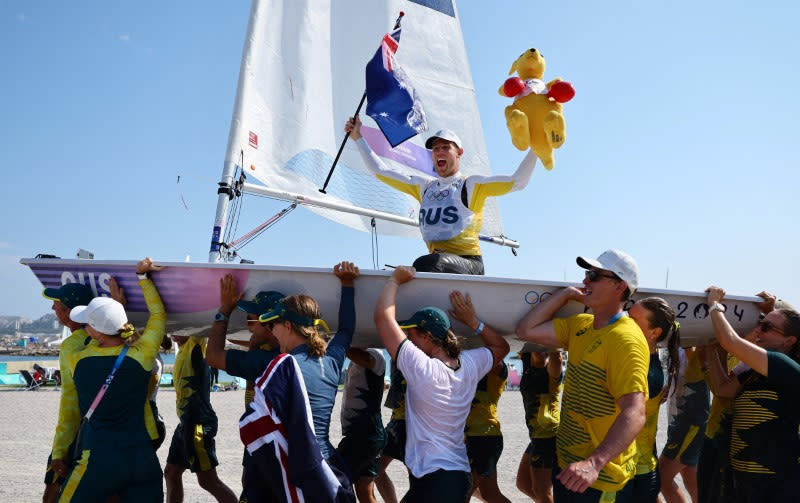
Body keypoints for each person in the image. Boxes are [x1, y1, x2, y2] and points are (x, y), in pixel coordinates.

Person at [516, 249, 649, 501]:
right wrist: (565, 294)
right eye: (586, 274)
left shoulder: (626, 339)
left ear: (619, 286)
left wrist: (594, 463)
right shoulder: (581, 326)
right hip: (568, 466)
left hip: (600, 478)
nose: (585, 281)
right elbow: (525, 330)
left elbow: (635, 411)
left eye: (594, 276)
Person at [373, 266, 510, 502]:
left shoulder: (422, 368)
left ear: (426, 336)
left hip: (436, 481)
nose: (408, 340)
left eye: (412, 335)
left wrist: (395, 281)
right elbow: (502, 348)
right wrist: (473, 321)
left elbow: (382, 318)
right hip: (451, 477)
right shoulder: (469, 364)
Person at [345, 115, 537, 274]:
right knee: (425, 264)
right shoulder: (424, 187)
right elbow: (381, 172)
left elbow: (517, 182)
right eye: (436, 149)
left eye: (446, 147)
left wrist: (536, 148)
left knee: (426, 263)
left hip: (470, 265)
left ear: (459, 152)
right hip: (438, 264)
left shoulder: (472, 185)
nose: (439, 152)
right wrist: (358, 138)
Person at [52, 257, 165, 502]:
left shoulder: (78, 358)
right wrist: (142, 277)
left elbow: (90, 339)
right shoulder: (142, 354)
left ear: (93, 331)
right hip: (142, 460)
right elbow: (158, 314)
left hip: (98, 461)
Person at [257, 261, 360, 480]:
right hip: (329, 465)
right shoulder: (331, 361)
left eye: (273, 325)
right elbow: (346, 329)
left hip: (297, 467)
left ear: (287, 326)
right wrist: (348, 284)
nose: (271, 331)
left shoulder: (283, 367)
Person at [705, 286, 800, 502]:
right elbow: (722, 389)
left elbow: (731, 342)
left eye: (766, 326)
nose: (758, 330)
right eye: (760, 323)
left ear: (789, 341)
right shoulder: (753, 369)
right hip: (744, 479)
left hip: (777, 483)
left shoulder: (783, 365)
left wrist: (714, 305)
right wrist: (712, 351)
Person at [163, 332, 237, 503]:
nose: (173, 334)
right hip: (185, 424)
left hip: (199, 426)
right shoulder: (182, 348)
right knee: (171, 472)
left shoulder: (196, 344)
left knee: (207, 481)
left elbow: (203, 323)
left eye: (178, 330)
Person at [452, 294, 512, 503]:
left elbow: (500, 349)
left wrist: (473, 322)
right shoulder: (467, 366)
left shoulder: (497, 368)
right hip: (473, 436)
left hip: (484, 435)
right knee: (489, 493)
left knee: (464, 492)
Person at [41, 282, 94, 503]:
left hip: (76, 436)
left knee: (51, 497)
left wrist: (60, 450)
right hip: (101, 435)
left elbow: (71, 402)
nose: (53, 308)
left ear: (70, 312)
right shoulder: (100, 339)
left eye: (57, 305)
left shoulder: (72, 345)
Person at [627, 298, 681, 503]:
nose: (624, 322)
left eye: (633, 319)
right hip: (641, 464)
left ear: (655, 332)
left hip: (634, 469)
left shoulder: (646, 370)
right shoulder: (651, 361)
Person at [658, 346, 709, 503]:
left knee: (660, 479)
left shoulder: (694, 339)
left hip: (689, 424)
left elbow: (699, 362)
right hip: (680, 420)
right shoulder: (677, 340)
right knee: (690, 478)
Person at [337, 347, 387, 503]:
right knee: (364, 492)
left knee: (336, 477)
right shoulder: (357, 359)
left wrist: (340, 343)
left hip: (365, 436)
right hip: (363, 435)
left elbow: (366, 359)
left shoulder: (375, 355)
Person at [515, 350, 564, 503]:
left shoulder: (551, 375)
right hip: (537, 437)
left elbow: (556, 356)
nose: (541, 352)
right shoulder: (529, 364)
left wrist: (553, 348)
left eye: (545, 351)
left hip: (549, 437)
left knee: (541, 490)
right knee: (524, 484)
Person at [375, 358, 406, 503]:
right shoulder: (399, 349)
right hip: (397, 420)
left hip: (416, 422)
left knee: (418, 477)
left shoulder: (425, 347)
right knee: (376, 468)